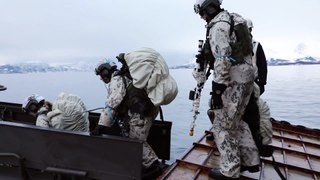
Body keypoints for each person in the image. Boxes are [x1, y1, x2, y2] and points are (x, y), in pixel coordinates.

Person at [194, 0, 260, 179]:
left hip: (233, 81)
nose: (202, 17)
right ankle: (251, 161)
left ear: (208, 8)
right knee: (237, 121)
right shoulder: (234, 19)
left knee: (222, 126)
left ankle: (229, 171)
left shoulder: (218, 26)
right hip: (247, 79)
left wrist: (217, 90)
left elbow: (222, 58)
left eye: (201, 13)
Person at [91, 58, 164, 179]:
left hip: (141, 111)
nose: (101, 78)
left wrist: (101, 126)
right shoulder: (124, 76)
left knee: (136, 140)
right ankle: (146, 164)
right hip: (146, 109)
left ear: (105, 71)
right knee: (132, 135)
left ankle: (154, 166)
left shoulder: (117, 79)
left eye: (101, 75)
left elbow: (112, 103)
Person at [246, 18, 268, 95]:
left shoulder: (256, 45)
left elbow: (262, 65)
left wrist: (262, 83)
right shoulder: (234, 45)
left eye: (249, 29)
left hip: (253, 82)